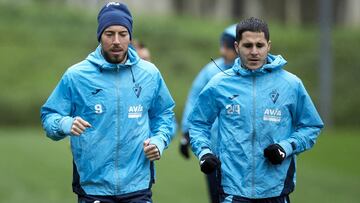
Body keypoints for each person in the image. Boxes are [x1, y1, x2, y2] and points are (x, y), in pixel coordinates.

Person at [40, 2, 175, 203]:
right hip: (93, 186)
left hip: (138, 184)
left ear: (130, 36)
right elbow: (49, 116)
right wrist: (66, 124)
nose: (116, 41)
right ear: (99, 36)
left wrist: (159, 140)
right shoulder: (76, 75)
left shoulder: (150, 74)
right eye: (109, 34)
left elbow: (164, 115)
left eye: (122, 33)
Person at [188, 17, 324, 203]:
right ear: (237, 47)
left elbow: (311, 126)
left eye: (259, 45)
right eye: (247, 45)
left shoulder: (291, 84)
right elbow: (197, 123)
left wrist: (286, 147)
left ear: (268, 46)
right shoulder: (219, 84)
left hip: (276, 189)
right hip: (232, 189)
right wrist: (204, 152)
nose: (254, 52)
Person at [180, 24, 237, 203]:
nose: (222, 51)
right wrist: (186, 133)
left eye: (227, 47)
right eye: (222, 45)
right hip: (214, 150)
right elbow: (194, 100)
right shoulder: (211, 71)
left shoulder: (252, 75)